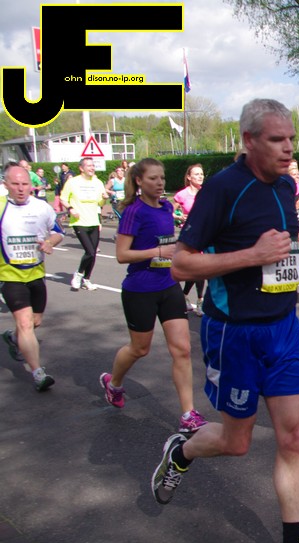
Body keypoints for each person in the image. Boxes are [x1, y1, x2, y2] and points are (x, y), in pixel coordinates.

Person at [150, 98, 299, 543]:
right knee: (236, 442)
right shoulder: (223, 189)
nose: (289, 148)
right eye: (277, 140)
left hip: (283, 327)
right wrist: (251, 256)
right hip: (233, 333)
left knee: (295, 436)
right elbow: (181, 264)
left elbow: (281, 246)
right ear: (249, 141)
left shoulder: (285, 186)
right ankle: (183, 451)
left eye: (292, 139)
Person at [99, 158, 205, 435]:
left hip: (168, 285)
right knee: (140, 349)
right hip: (140, 289)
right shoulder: (134, 211)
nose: (159, 183)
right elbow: (122, 255)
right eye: (153, 179)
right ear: (139, 181)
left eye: (162, 178)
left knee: (182, 350)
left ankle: (188, 414)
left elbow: (168, 244)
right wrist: (157, 252)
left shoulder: (167, 207)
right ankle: (113, 382)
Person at [0, 164, 63, 391]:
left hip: (36, 274)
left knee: (35, 322)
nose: (20, 188)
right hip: (9, 275)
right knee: (25, 322)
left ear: (31, 185)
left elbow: (58, 232)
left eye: (24, 184)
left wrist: (49, 243)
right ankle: (38, 373)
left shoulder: (41, 207)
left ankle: (14, 338)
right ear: (6, 184)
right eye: (15, 184)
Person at [60, 157, 107, 291]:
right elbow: (63, 198)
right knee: (90, 251)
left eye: (93, 165)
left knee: (93, 253)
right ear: (81, 168)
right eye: (89, 166)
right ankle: (79, 274)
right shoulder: (72, 182)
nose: (92, 168)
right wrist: (70, 209)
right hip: (79, 221)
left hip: (94, 221)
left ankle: (87, 279)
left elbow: (100, 203)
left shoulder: (98, 182)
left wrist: (104, 199)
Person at [171, 163, 206, 316]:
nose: (200, 176)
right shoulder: (182, 195)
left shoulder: (206, 192)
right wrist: (179, 217)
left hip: (205, 234)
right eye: (196, 174)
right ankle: (199, 301)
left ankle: (186, 296)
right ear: (189, 177)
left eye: (201, 174)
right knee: (198, 269)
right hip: (190, 236)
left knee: (198, 270)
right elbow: (170, 211)